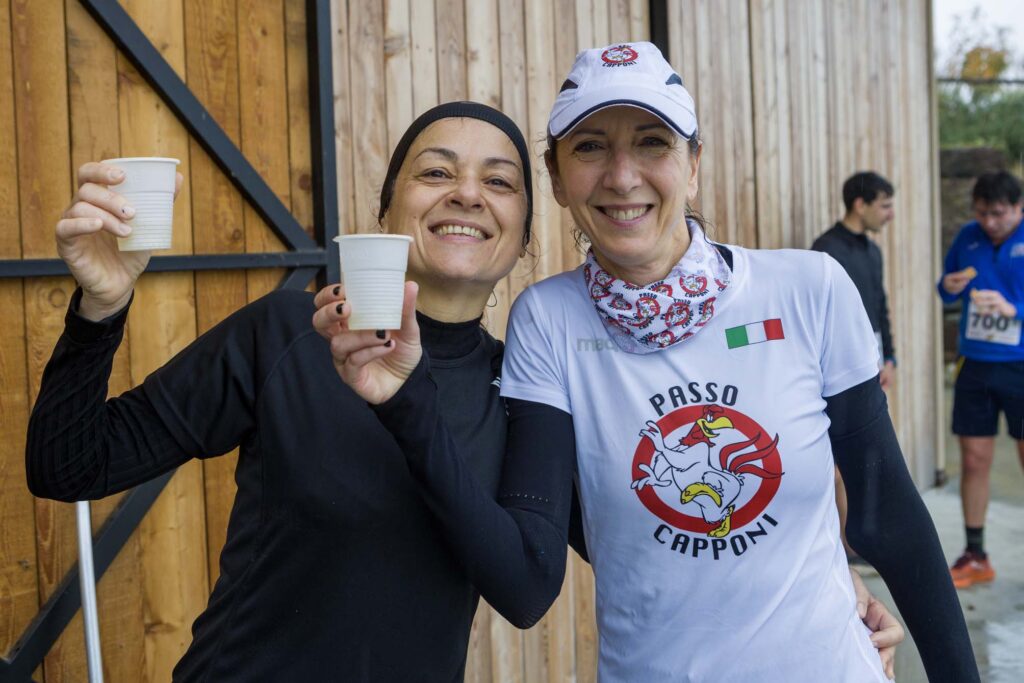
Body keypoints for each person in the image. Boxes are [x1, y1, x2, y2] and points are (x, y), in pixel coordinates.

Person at [325, 43, 977, 682]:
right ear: (557, 178)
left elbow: (889, 515)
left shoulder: (812, 289)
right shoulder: (548, 321)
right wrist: (406, 399)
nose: (622, 176)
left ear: (693, 164)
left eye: (652, 143)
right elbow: (536, 564)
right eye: (590, 147)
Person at [25, 102, 537, 681]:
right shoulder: (288, 334)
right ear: (386, 209)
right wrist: (100, 308)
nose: (467, 194)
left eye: (499, 181)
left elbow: (544, 580)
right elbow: (67, 468)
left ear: (523, 236)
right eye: (436, 172)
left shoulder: (528, 396)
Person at [938, 170, 1024, 589]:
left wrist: (1014, 310)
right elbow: (946, 289)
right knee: (973, 459)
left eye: (999, 213)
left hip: (1020, 363)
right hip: (975, 363)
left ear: (1018, 208)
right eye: (982, 213)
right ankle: (976, 555)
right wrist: (948, 285)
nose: (989, 222)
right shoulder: (967, 237)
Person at [811, 171, 897, 567]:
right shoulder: (826, 251)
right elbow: (821, 317)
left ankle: (858, 544)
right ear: (860, 205)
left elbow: (879, 307)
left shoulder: (873, 251)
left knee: (865, 456)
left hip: (871, 367)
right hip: (835, 371)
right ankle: (844, 547)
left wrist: (889, 357)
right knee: (838, 464)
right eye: (884, 205)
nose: (890, 214)